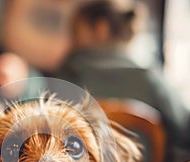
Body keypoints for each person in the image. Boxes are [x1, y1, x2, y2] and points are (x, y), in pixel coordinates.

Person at [56, 0, 190, 149]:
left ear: (101, 29)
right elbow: (186, 129)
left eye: (75, 32)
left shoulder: (60, 78)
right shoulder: (149, 79)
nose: (71, 40)